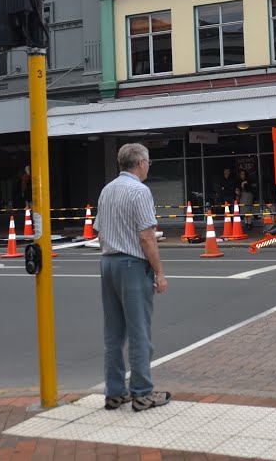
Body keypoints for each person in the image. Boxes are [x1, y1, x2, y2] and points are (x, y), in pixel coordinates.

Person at [94, 143, 170, 412]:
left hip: (108, 262)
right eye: (148, 162)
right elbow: (146, 236)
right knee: (139, 332)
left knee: (113, 333)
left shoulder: (107, 190)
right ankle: (142, 392)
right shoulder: (140, 191)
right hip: (132, 264)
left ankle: (114, 391)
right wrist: (159, 272)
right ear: (140, 163)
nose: (148, 166)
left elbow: (100, 232)